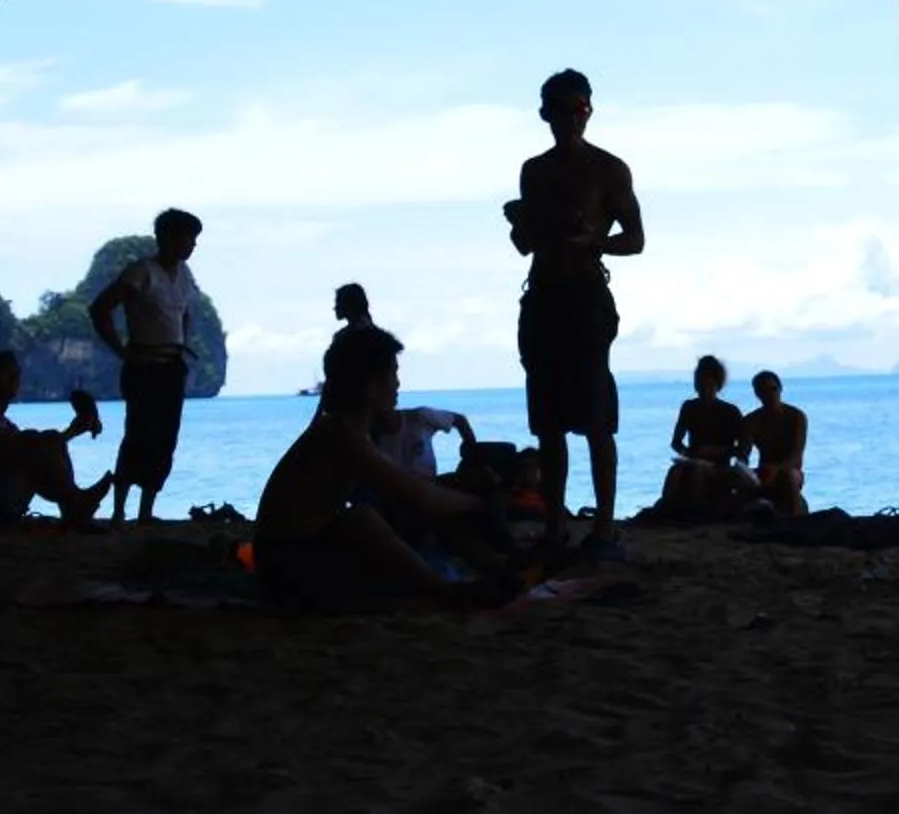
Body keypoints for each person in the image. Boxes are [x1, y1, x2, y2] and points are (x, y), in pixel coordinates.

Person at [253, 324, 501, 610]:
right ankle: (447, 592)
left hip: (300, 562)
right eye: (393, 373)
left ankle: (498, 566)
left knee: (404, 510)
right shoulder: (341, 437)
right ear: (371, 386)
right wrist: (478, 502)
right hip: (288, 573)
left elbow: (409, 489)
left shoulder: (344, 431)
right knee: (362, 519)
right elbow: (419, 496)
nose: (398, 385)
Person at [503, 68, 643, 553]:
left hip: (585, 298)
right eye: (561, 109)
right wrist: (521, 220)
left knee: (596, 416)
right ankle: (555, 527)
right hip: (543, 296)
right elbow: (524, 244)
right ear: (545, 113)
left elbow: (637, 239)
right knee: (548, 420)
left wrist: (594, 241)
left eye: (578, 108)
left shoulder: (609, 169)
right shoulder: (534, 171)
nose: (569, 118)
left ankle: (603, 526)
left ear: (589, 110)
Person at [88, 206, 202, 523]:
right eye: (188, 237)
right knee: (139, 434)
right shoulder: (142, 272)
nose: (193, 244)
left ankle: (146, 511)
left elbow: (184, 312)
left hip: (172, 365)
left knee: (166, 438)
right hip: (145, 365)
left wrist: (182, 342)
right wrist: (124, 352)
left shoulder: (183, 276)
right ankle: (120, 510)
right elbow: (100, 309)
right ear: (167, 237)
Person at [0, 350, 111, 527]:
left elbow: (27, 449)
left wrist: (71, 432)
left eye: (16, 373)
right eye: (9, 374)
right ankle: (75, 504)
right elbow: (21, 449)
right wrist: (69, 433)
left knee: (48, 441)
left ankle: (72, 506)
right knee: (45, 440)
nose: (16, 378)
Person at [655, 355, 756, 518]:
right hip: (695, 459)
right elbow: (675, 442)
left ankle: (698, 514)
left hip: (720, 464)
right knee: (675, 472)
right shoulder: (689, 407)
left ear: (717, 385)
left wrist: (719, 451)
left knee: (697, 472)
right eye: (700, 384)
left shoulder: (730, 411)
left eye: (708, 384)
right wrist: (689, 453)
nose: (704, 389)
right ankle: (666, 510)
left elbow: (743, 449)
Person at [738, 369, 809, 517]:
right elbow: (744, 453)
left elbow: (797, 454)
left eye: (773, 389)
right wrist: (743, 471)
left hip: (790, 470)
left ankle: (795, 522)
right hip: (764, 470)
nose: (769, 394)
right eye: (763, 390)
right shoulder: (752, 421)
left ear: (780, 388)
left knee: (788, 477)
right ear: (757, 394)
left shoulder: (796, 416)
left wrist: (776, 469)